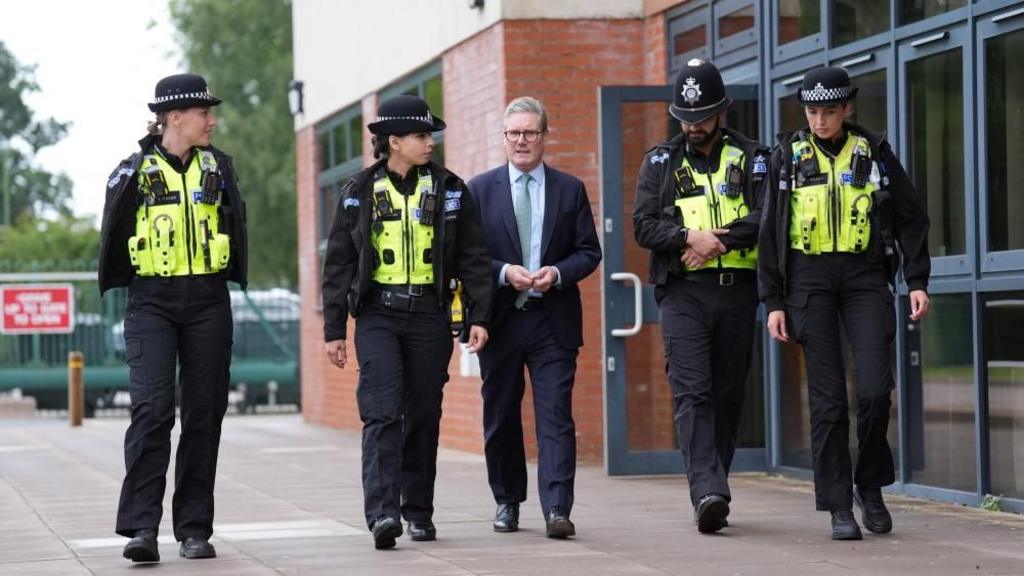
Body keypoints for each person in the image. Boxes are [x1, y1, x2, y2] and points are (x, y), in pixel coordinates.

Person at [758, 66, 931, 540]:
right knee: (828, 401)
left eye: (828, 112)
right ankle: (838, 505)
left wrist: (917, 278)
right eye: (812, 111)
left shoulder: (873, 150)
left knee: (875, 390)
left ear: (847, 109)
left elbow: (912, 215)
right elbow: (771, 232)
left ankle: (869, 484)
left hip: (864, 276)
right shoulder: (787, 157)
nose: (819, 120)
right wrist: (773, 299)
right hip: (808, 281)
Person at [322, 94, 493, 550]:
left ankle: (418, 511)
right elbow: (338, 263)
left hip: (431, 317)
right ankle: (383, 515)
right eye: (420, 135)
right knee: (381, 412)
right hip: (378, 315)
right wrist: (334, 330)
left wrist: (478, 315)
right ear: (393, 141)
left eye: (430, 135)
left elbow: (474, 257)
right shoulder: (358, 191)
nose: (429, 142)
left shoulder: (452, 189)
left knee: (422, 414)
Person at [98, 73, 248, 563]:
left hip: (208, 300)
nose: (212, 120)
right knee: (153, 411)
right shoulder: (132, 170)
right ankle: (142, 527)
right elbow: (112, 233)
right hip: (152, 302)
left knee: (204, 414)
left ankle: (193, 529)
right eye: (204, 113)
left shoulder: (220, 168)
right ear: (174, 116)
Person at [632, 59, 769, 533]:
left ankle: (714, 485)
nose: (692, 126)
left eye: (702, 117)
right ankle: (707, 491)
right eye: (685, 118)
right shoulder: (659, 162)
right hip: (684, 294)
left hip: (737, 292)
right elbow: (643, 225)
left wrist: (720, 240)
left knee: (728, 395)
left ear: (722, 111)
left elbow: (768, 215)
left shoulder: (753, 157)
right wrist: (689, 237)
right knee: (693, 392)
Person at [467, 96, 602, 539]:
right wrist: (505, 273)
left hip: (552, 320)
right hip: (500, 321)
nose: (521, 141)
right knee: (501, 414)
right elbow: (467, 258)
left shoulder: (569, 189)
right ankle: (507, 501)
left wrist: (558, 273)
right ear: (504, 138)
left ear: (545, 136)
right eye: (513, 133)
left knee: (555, 415)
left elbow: (589, 251)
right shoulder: (480, 190)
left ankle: (558, 508)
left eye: (530, 132)